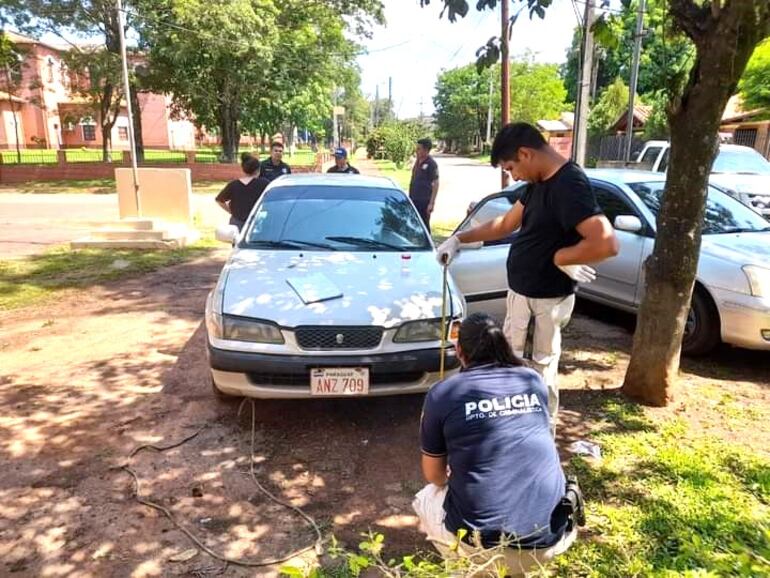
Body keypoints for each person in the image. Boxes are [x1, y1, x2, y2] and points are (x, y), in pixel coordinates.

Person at [436, 123, 618, 431]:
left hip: (545, 297)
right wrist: (459, 239)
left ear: (525, 154)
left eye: (511, 168)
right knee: (513, 362)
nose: (513, 176)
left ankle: (538, 432)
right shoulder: (538, 183)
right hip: (523, 293)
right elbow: (506, 223)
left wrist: (563, 257)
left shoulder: (569, 184)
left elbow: (606, 242)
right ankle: (514, 426)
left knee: (538, 368)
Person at [413, 313, 580, 577]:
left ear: (459, 351)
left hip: (485, 547)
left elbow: (434, 475)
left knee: (426, 497)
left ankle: (468, 571)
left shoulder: (443, 393)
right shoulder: (532, 379)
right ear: (501, 344)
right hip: (553, 536)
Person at [215, 153, 269, 230]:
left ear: (244, 169)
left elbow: (219, 200)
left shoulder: (233, 185)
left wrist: (232, 212)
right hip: (257, 222)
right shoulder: (264, 183)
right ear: (258, 170)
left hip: (236, 222)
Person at [408, 138, 439, 230]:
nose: (416, 151)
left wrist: (431, 203)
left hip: (424, 201)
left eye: (419, 149)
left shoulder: (431, 164)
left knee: (424, 225)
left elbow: (436, 183)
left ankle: (427, 243)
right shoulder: (417, 161)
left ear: (426, 150)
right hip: (414, 199)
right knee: (414, 224)